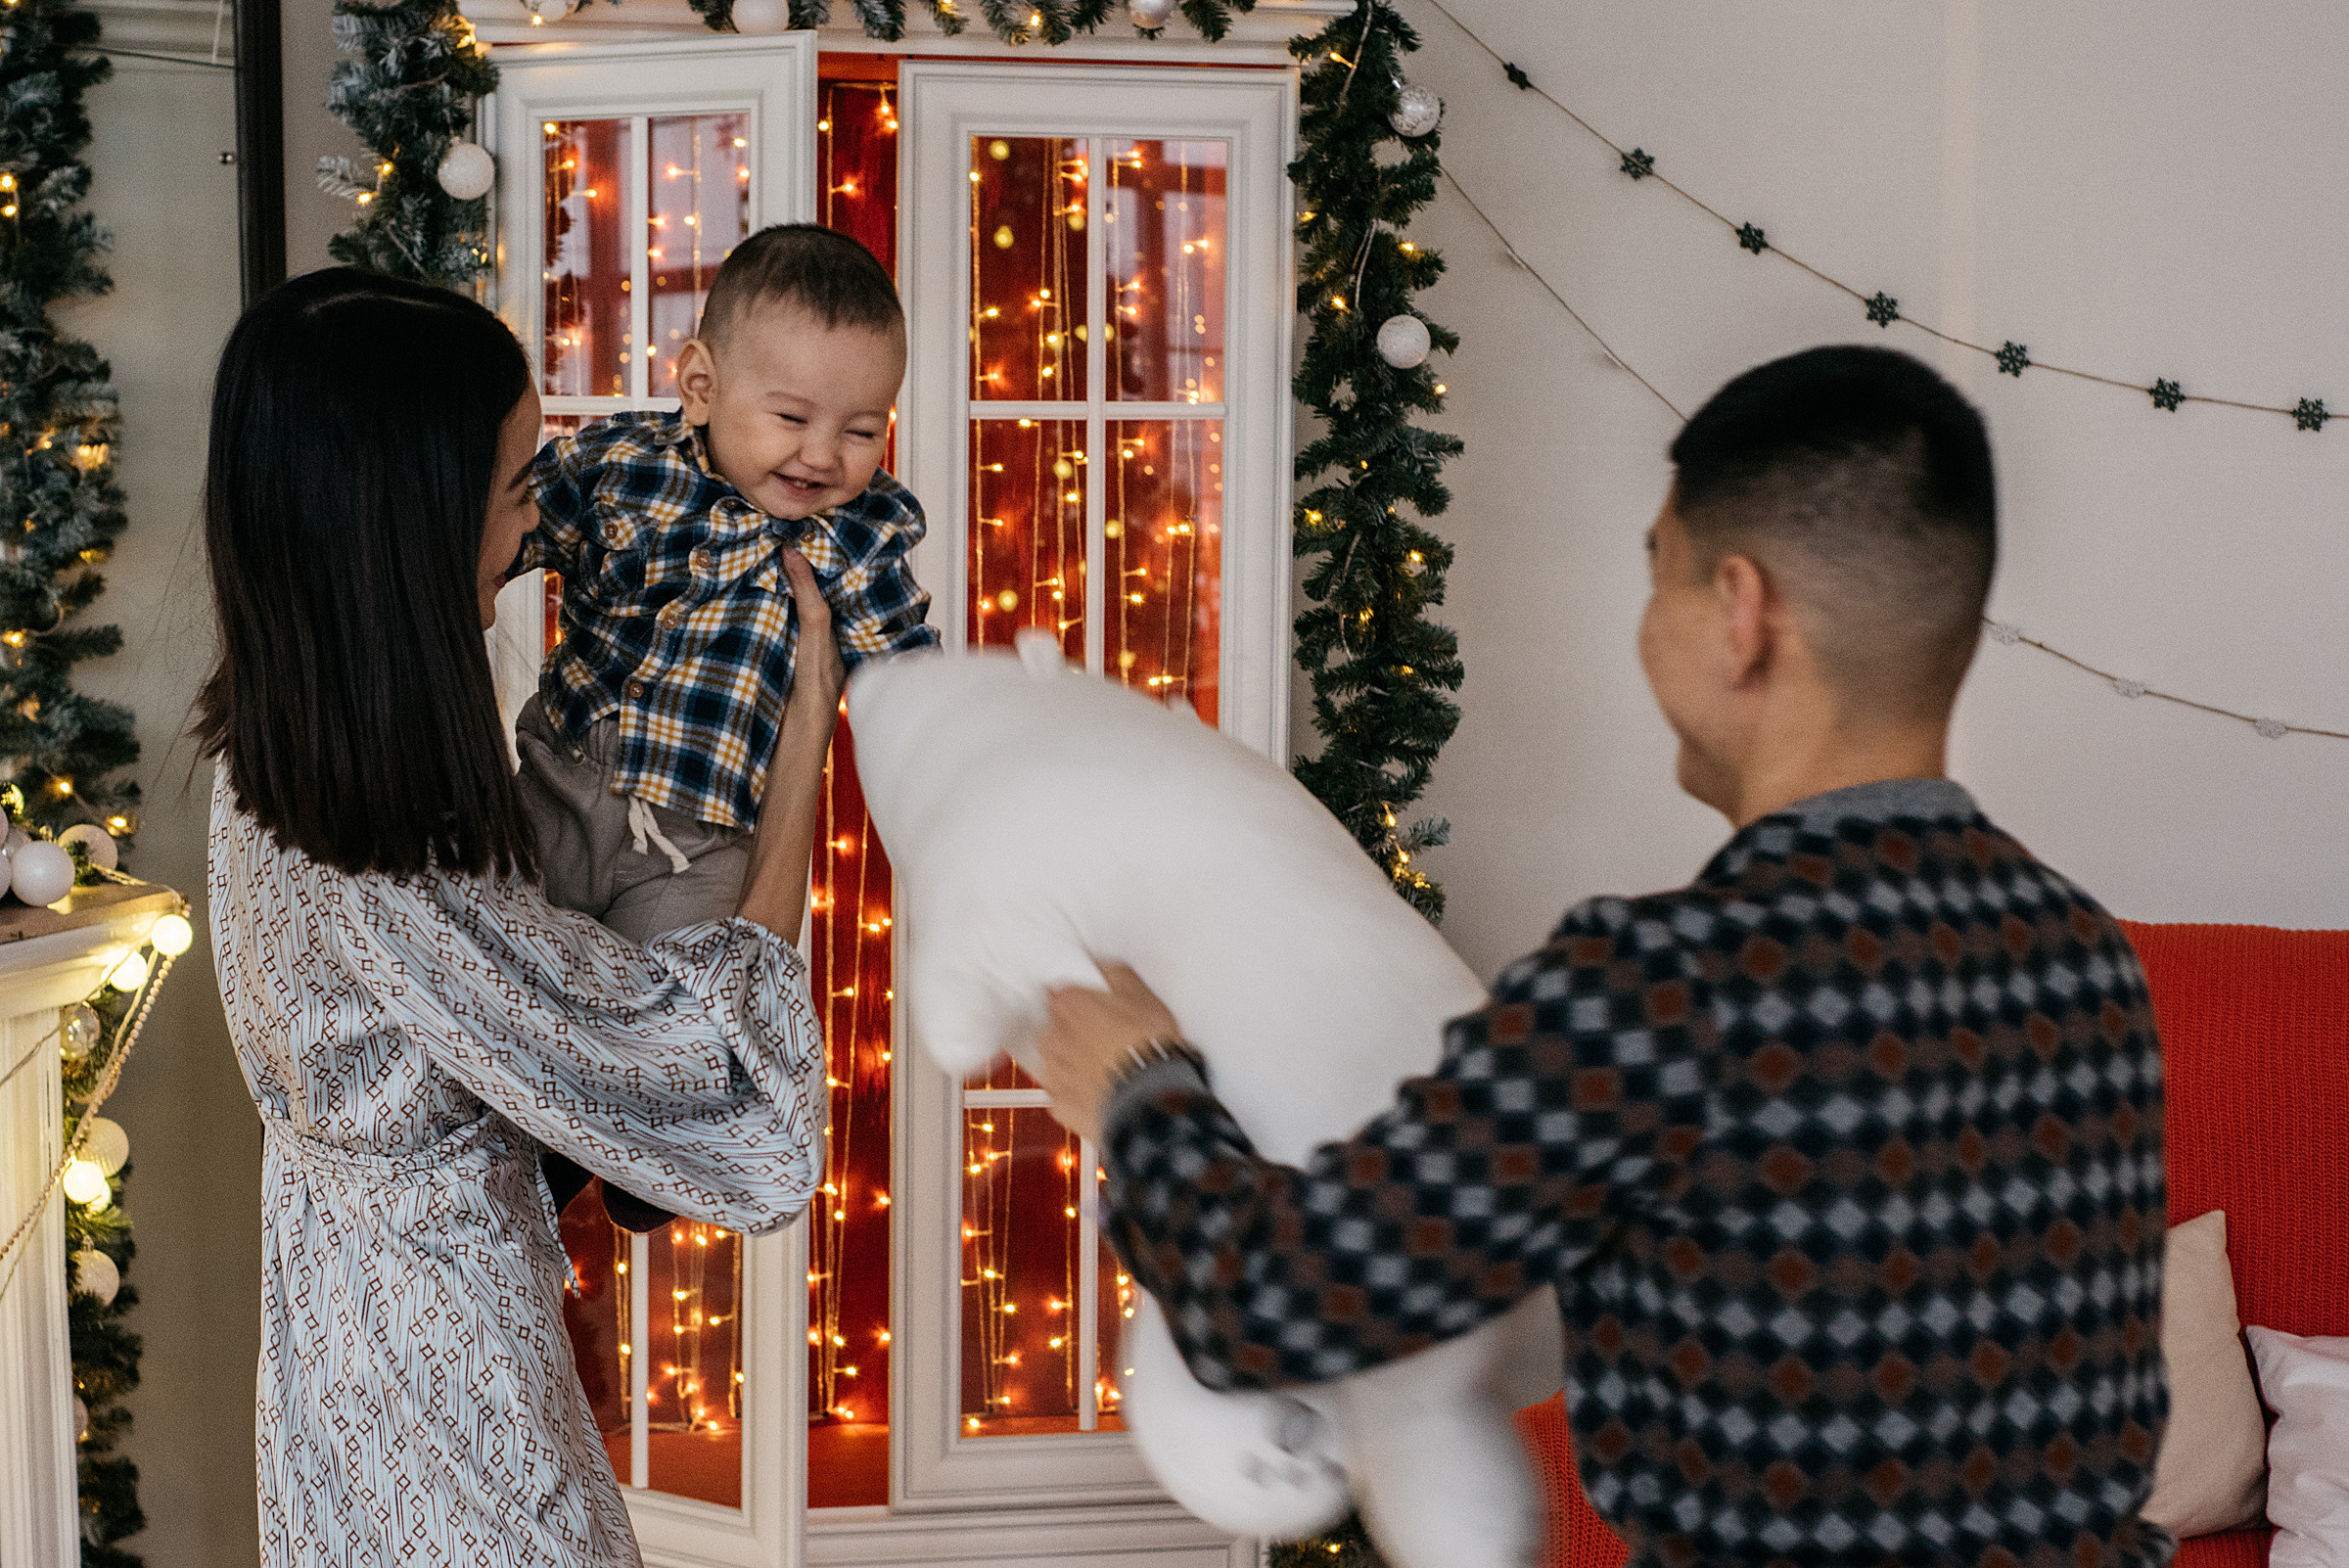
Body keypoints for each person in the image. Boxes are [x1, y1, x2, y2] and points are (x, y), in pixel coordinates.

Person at [1036, 346, 2173, 1567]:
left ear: (1742, 613)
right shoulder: (2088, 960)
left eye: (1659, 577)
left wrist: (1138, 1087)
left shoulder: (1662, 991)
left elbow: (1282, 1302)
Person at [198, 268, 835, 1567]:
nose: (543, 515)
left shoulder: (280, 752)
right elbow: (733, 1097)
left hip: (344, 1358)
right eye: (516, 486)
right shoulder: (387, 863)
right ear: (411, 527)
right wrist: (803, 736)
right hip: (450, 1417)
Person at [516, 223, 936, 1230]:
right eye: (791, 415)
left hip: (700, 840)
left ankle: (637, 1161)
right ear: (699, 385)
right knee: (531, 980)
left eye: (862, 428)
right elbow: (514, 527)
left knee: (678, 1015)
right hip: (563, 783)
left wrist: (948, 738)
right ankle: (542, 1150)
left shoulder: (861, 535)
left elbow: (905, 675)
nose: (824, 455)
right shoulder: (625, 466)